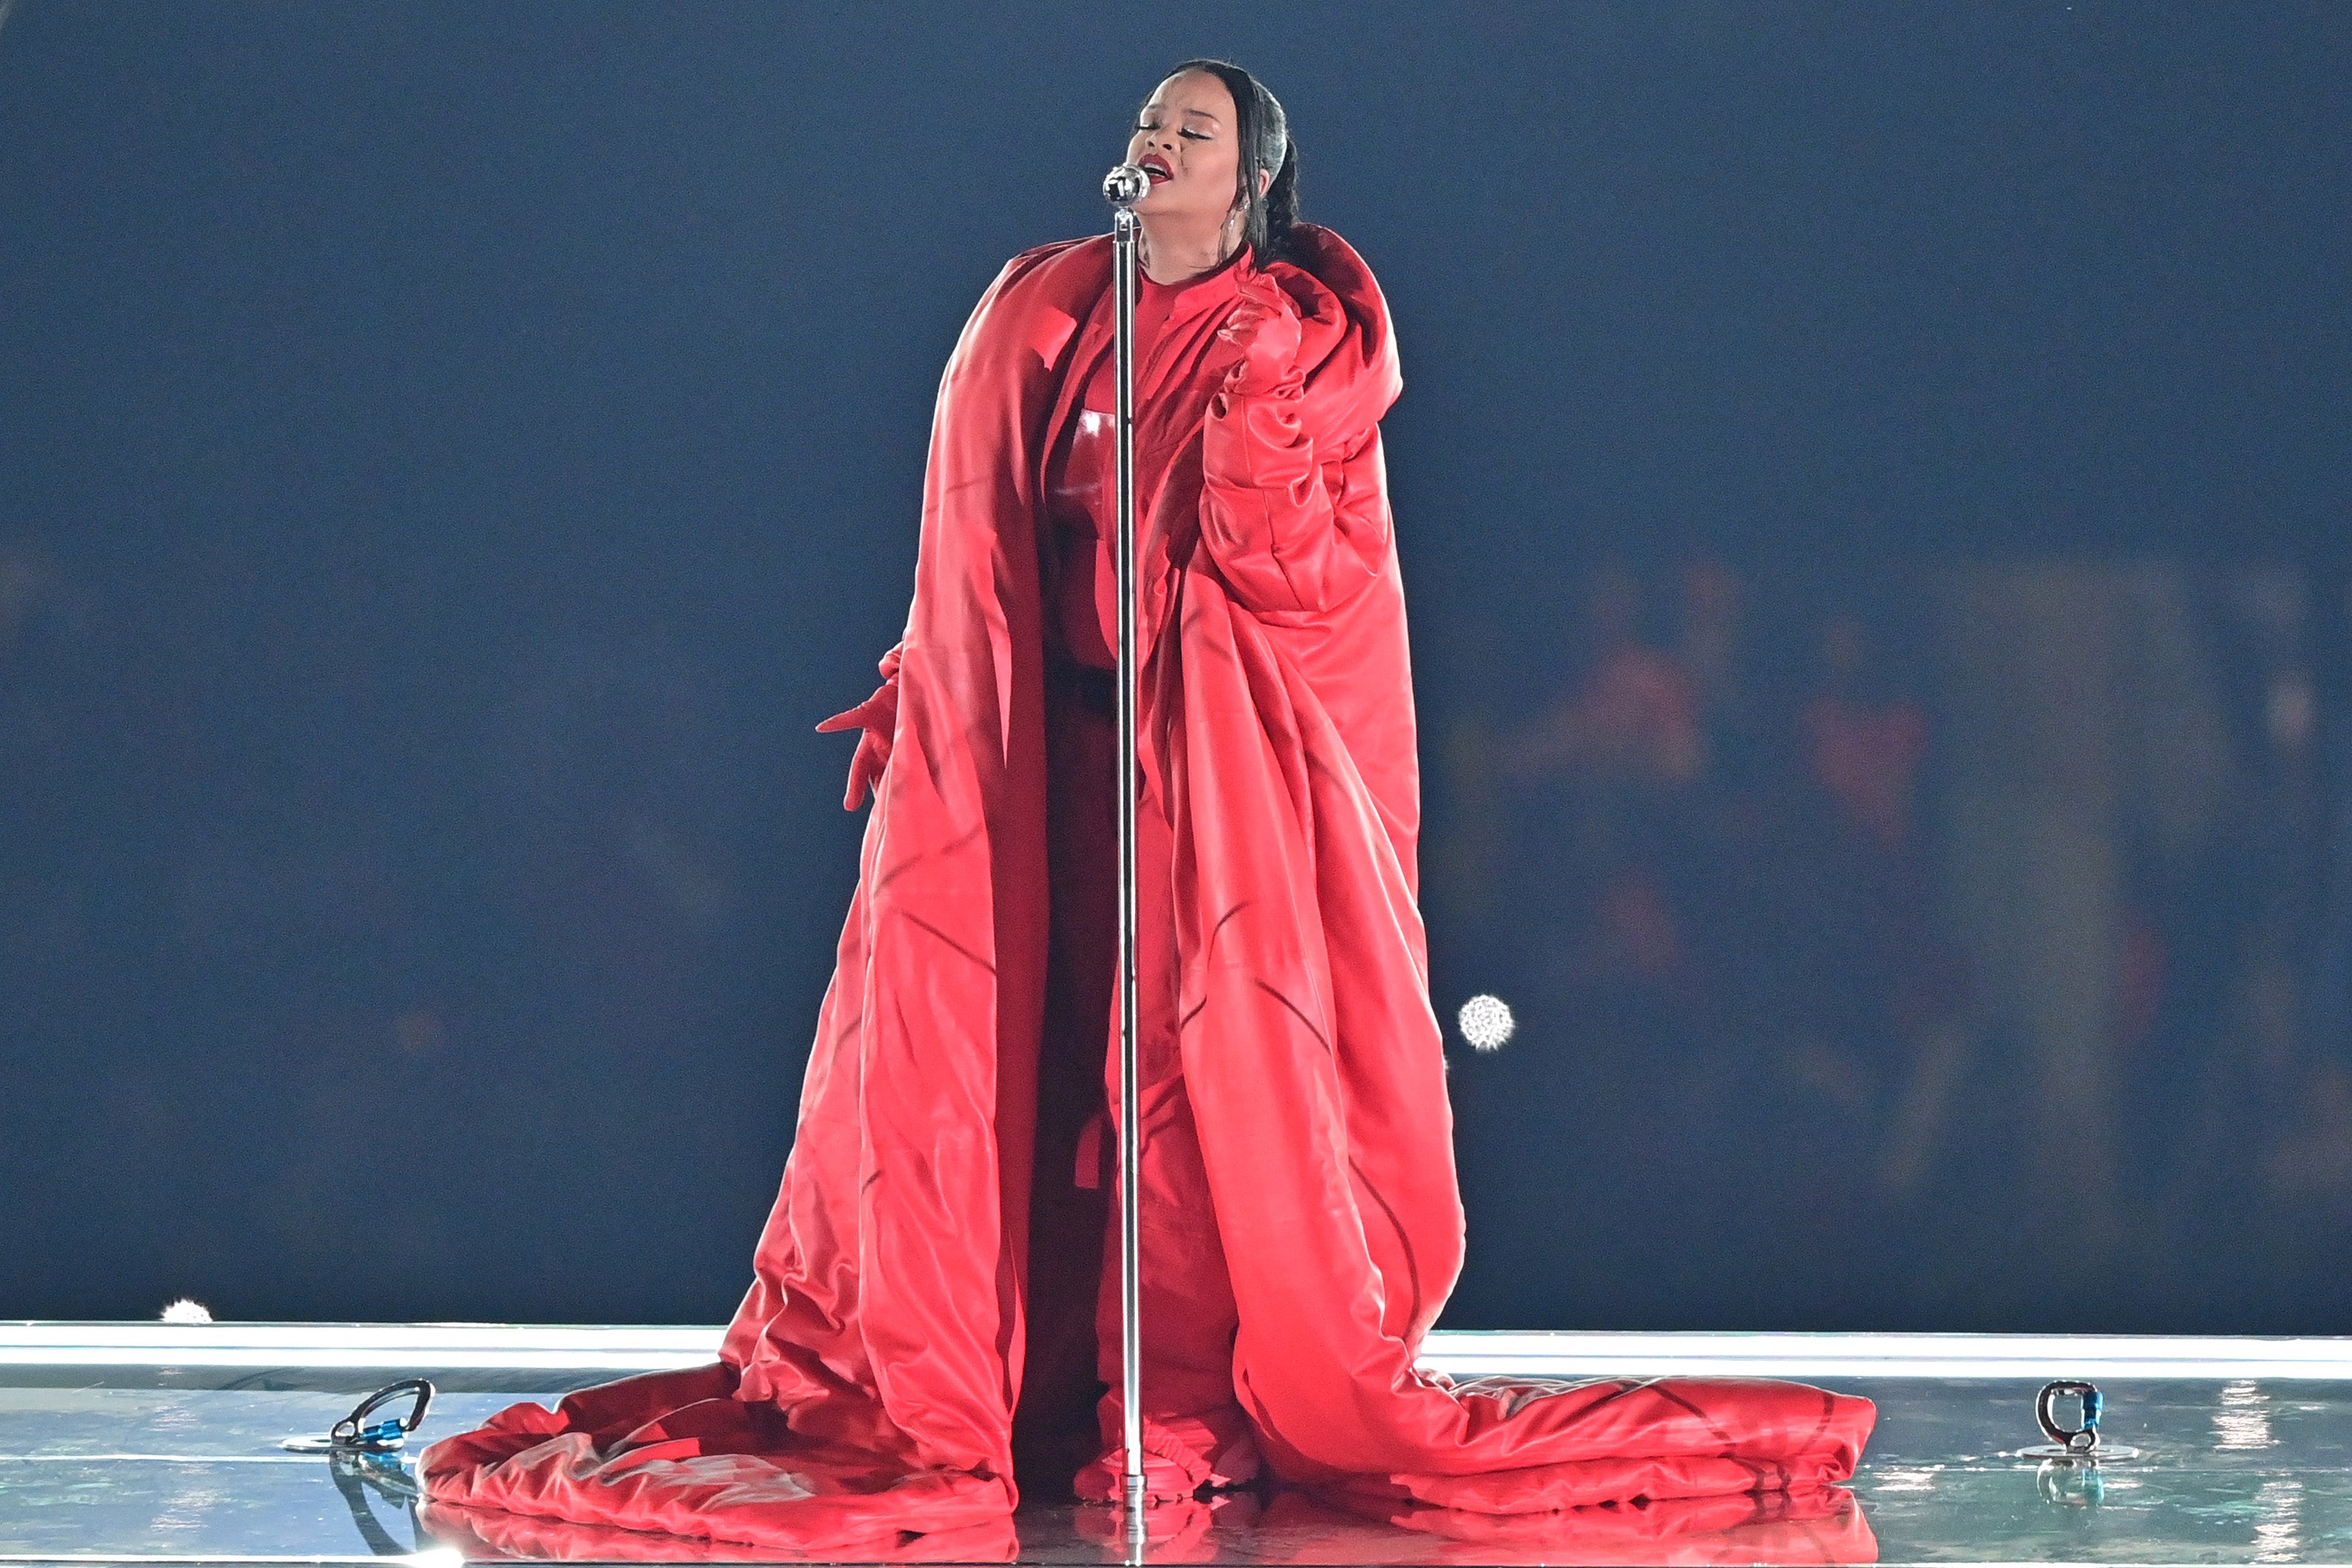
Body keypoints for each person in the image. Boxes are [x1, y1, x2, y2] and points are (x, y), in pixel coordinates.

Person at [418, 60, 1873, 1552]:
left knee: (1179, 1088)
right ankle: (1027, 1378)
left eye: (1194, 130)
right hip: (1044, 765)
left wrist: (1252, 415)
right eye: (1149, 123)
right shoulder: (1049, 311)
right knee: (1015, 1063)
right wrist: (927, 679)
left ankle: (1174, 1401)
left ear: (1252, 180)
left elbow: (1303, 576)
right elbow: (975, 536)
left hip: (1200, 776)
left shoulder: (1294, 340)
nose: (1157, 142)